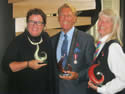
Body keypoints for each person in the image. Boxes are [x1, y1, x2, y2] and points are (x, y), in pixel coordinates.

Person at [2, 8, 56, 94]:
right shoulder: (18, 41)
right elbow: (6, 67)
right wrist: (28, 64)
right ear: (27, 23)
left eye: (39, 22)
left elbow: (51, 68)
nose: (35, 25)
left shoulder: (46, 39)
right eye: (31, 21)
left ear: (43, 25)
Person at [51, 3, 95, 94]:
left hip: (77, 90)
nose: (65, 18)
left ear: (75, 19)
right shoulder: (52, 40)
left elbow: (92, 68)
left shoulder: (86, 39)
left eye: (69, 16)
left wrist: (77, 75)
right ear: (58, 18)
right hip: (57, 90)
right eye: (62, 15)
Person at [88, 9, 125, 94]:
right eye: (100, 20)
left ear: (115, 26)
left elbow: (123, 79)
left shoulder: (113, 47)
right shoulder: (100, 45)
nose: (102, 24)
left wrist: (102, 89)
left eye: (107, 21)